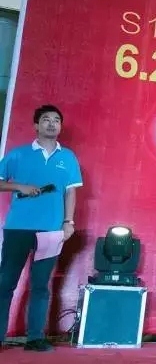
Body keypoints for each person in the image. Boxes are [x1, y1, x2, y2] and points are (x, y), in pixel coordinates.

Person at [0, 104, 83, 352]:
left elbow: (71, 192)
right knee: (5, 283)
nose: (51, 123)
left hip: (51, 231)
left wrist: (68, 222)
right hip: (18, 228)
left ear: (60, 126)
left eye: (56, 120)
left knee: (41, 285)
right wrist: (19, 186)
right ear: (36, 125)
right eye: (46, 119)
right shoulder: (18, 155)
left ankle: (35, 338)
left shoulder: (68, 157)